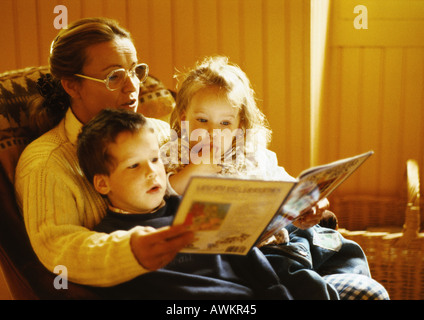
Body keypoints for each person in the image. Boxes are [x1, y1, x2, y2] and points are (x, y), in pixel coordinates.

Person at [14, 17, 193, 287]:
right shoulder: (46, 163)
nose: (133, 87)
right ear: (72, 85)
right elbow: (59, 246)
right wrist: (130, 250)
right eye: (114, 76)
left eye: (134, 71)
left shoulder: (163, 133)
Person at [76, 108, 297, 299]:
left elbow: (249, 259)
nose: (152, 172)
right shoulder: (111, 243)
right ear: (103, 184)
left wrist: (277, 293)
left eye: (154, 160)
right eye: (134, 165)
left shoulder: (193, 206)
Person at [161, 55, 328, 230]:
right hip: (208, 245)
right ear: (183, 120)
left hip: (265, 240)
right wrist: (193, 171)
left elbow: (285, 185)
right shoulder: (173, 154)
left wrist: (309, 202)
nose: (212, 132)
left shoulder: (251, 154)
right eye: (202, 120)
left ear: (239, 127)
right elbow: (158, 196)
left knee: (340, 251)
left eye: (225, 123)